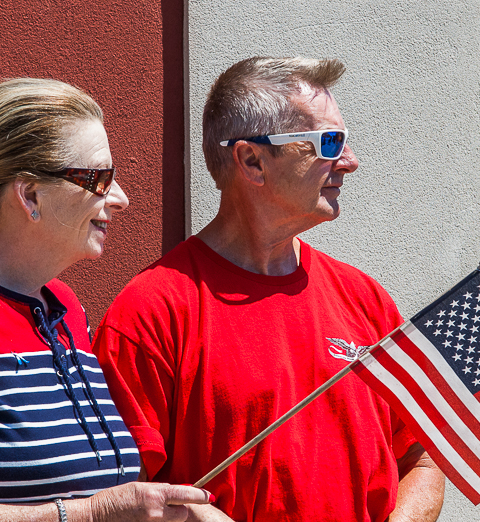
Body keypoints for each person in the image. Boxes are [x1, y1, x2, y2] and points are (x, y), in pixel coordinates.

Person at [92, 57, 446, 522]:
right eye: (329, 143)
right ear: (252, 160)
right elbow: (122, 500)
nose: (350, 162)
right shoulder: (152, 311)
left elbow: (423, 456)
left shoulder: (365, 299)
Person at [0, 78, 212, 522]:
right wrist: (93, 513)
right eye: (99, 178)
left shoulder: (62, 304)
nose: (121, 198)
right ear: (30, 194)